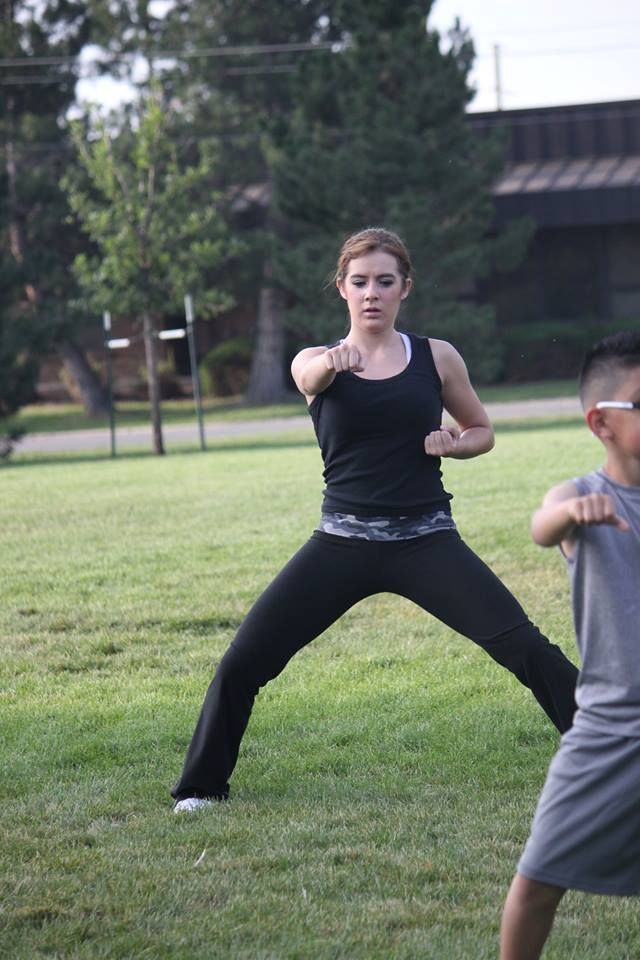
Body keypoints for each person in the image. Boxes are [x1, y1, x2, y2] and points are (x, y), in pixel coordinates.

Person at [171, 226, 577, 813]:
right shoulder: (314, 361)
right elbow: (308, 380)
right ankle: (201, 788)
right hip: (340, 543)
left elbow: (481, 431)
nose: (371, 293)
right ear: (341, 288)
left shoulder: (436, 357)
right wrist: (333, 363)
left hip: (426, 540)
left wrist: (455, 445)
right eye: (359, 282)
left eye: (385, 282)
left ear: (404, 288)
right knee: (243, 661)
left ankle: (612, 750)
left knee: (526, 648)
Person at [500, 330, 640, 960]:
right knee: (538, 880)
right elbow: (541, 525)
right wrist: (573, 516)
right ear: (601, 422)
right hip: (611, 726)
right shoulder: (582, 497)